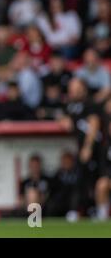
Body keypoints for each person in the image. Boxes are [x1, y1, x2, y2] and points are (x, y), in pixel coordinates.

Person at [58, 78, 109, 222]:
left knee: (97, 180)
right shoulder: (71, 105)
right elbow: (64, 116)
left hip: (97, 149)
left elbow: (94, 124)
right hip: (83, 149)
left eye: (76, 87)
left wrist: (88, 147)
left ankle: (99, 211)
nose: (73, 90)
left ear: (83, 88)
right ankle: (79, 210)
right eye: (71, 88)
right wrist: (64, 119)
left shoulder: (90, 103)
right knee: (81, 180)